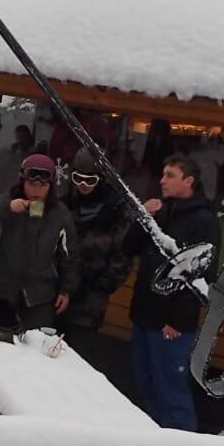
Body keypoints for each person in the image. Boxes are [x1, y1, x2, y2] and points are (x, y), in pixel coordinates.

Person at [126, 154, 220, 430]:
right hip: (145, 314)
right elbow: (128, 248)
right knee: (146, 383)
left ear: (188, 181)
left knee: (171, 390)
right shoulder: (162, 210)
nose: (162, 180)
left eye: (170, 175)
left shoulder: (203, 220)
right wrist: (143, 218)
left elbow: (203, 272)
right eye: (163, 174)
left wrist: (180, 319)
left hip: (171, 324)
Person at [0, 152, 80, 335]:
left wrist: (67, 290)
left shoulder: (59, 214)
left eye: (42, 185)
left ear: (50, 186)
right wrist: (8, 208)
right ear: (22, 181)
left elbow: (70, 256)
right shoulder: (7, 201)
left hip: (39, 298)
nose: (36, 190)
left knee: (32, 355)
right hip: (0, 292)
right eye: (31, 184)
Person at [60, 148, 133, 349]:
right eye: (78, 178)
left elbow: (124, 255)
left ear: (101, 179)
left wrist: (103, 285)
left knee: (76, 354)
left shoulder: (116, 210)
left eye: (90, 180)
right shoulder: (66, 203)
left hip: (89, 299)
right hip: (58, 291)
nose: (83, 185)